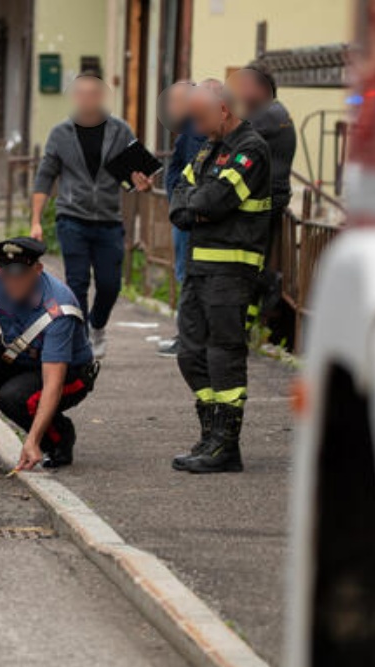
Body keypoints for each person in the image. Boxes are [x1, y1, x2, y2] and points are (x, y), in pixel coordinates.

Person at [165, 86, 273, 474]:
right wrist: (198, 206)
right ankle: (210, 435)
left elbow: (214, 201)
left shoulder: (250, 149)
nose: (196, 126)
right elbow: (180, 195)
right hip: (199, 268)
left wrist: (200, 206)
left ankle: (226, 446)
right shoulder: (210, 148)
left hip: (232, 269)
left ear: (223, 110)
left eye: (201, 117)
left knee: (223, 355)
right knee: (190, 352)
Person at [0, 237, 98, 473]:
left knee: (13, 398)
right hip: (22, 362)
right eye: (6, 275)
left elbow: (53, 383)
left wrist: (32, 440)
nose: (11, 283)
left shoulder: (58, 308)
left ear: (37, 269)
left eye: (19, 275)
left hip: (69, 375)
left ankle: (59, 436)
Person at [31, 73, 143, 360]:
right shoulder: (60, 133)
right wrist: (35, 221)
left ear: (102, 97)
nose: (86, 99)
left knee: (109, 283)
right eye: (81, 93)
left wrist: (142, 180)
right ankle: (81, 340)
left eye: (93, 93)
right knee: (77, 281)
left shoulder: (120, 131)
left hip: (109, 219)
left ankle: (98, 325)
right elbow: (45, 177)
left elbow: (136, 174)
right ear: (74, 97)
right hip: (72, 218)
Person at [229, 67, 297, 323]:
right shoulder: (274, 112)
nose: (240, 93)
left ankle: (271, 282)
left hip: (264, 201)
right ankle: (245, 324)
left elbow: (232, 137)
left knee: (245, 263)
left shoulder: (268, 115)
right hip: (270, 198)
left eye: (244, 87)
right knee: (254, 261)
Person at [156, 80, 207, 357]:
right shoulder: (188, 129)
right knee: (184, 274)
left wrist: (181, 203)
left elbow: (191, 172)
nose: (171, 107)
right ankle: (187, 335)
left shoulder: (197, 129)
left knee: (188, 276)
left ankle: (188, 338)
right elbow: (177, 169)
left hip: (190, 216)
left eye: (175, 101)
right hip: (183, 211)